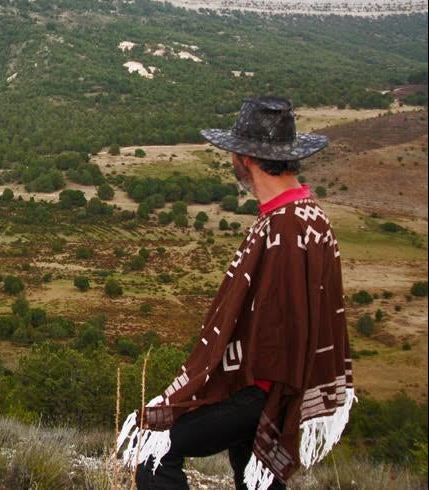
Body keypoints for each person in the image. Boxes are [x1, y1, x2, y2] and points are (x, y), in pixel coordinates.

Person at [116, 96, 354, 490]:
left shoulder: (286, 226)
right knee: (254, 480)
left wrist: (230, 388)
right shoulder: (309, 216)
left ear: (245, 157)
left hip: (260, 388)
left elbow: (278, 327)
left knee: (152, 450)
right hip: (271, 386)